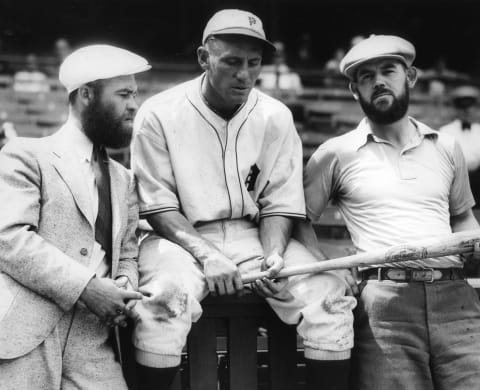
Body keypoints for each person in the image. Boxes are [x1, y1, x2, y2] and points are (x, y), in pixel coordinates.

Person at [131, 9, 356, 390]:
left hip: (251, 235)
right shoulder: (158, 112)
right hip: (177, 238)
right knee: (165, 302)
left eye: (254, 63)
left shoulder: (275, 116)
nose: (245, 74)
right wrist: (208, 255)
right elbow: (158, 206)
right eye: (232, 62)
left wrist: (274, 256)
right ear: (204, 58)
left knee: (329, 298)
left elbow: (280, 203)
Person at [302, 34, 480, 389]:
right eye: (366, 77)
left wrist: (475, 240)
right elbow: (298, 222)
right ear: (354, 90)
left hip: (456, 297)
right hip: (385, 303)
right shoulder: (335, 153)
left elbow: (461, 217)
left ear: (410, 77)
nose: (379, 81)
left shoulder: (446, 145)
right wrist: (329, 271)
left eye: (388, 71)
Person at [0, 44, 151, 389]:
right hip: (27, 332)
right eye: (124, 94)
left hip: (93, 337)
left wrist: (124, 286)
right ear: (86, 95)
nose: (133, 105)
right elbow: (9, 238)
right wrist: (87, 288)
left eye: (135, 94)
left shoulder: (124, 178)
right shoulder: (26, 154)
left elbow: (127, 252)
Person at [440, 85, 480, 206]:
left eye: (470, 107)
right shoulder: (445, 131)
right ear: (456, 109)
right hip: (456, 185)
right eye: (463, 107)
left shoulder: (479, 130)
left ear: (475, 108)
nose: (467, 111)